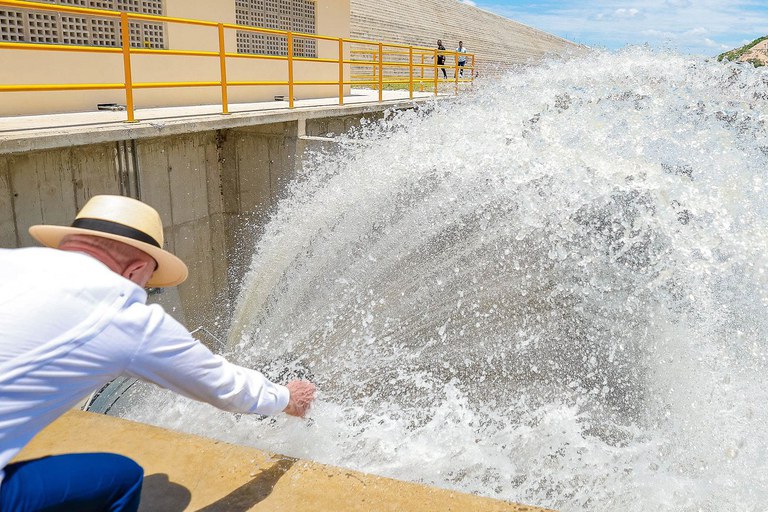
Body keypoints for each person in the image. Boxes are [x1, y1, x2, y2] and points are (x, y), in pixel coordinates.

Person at [0, 195, 317, 511]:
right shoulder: (123, 313)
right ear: (135, 270)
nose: (145, 293)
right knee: (122, 477)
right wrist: (287, 398)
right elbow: (224, 386)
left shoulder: (9, 262)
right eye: (149, 282)